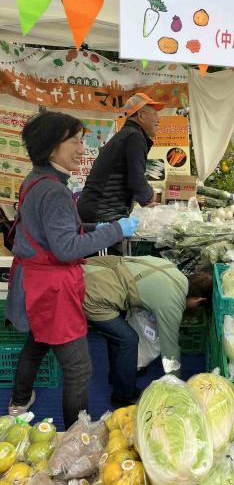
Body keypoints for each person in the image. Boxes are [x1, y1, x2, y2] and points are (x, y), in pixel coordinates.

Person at [6, 112, 138, 428]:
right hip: (51, 289)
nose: (82, 149)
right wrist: (116, 230)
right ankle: (75, 439)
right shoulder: (54, 191)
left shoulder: (36, 179)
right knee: (79, 367)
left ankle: (19, 400)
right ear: (51, 146)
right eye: (75, 141)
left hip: (34, 282)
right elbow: (66, 248)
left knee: (37, 342)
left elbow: (51, 231)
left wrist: (95, 226)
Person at [83, 256, 212, 406]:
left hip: (90, 270)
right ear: (199, 300)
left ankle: (118, 376)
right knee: (127, 340)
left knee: (120, 335)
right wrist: (176, 384)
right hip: (91, 294)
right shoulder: (172, 302)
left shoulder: (171, 268)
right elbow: (170, 349)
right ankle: (123, 397)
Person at [77, 93, 164, 223]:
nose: (158, 120)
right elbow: (137, 178)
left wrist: (145, 198)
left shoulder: (127, 135)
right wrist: (150, 196)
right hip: (102, 211)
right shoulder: (134, 137)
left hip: (97, 208)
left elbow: (132, 177)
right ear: (141, 115)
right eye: (155, 115)